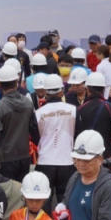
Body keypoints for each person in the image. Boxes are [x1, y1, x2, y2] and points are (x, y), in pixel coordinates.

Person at [0, 64, 38, 181]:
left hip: (4, 158)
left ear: (0, 85)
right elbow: (34, 130)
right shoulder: (28, 103)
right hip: (24, 156)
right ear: (16, 82)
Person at [34, 74, 77, 205]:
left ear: (46, 92)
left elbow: (36, 137)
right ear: (61, 91)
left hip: (45, 161)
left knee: (44, 201)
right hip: (67, 161)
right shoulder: (73, 110)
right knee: (64, 202)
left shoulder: (38, 113)